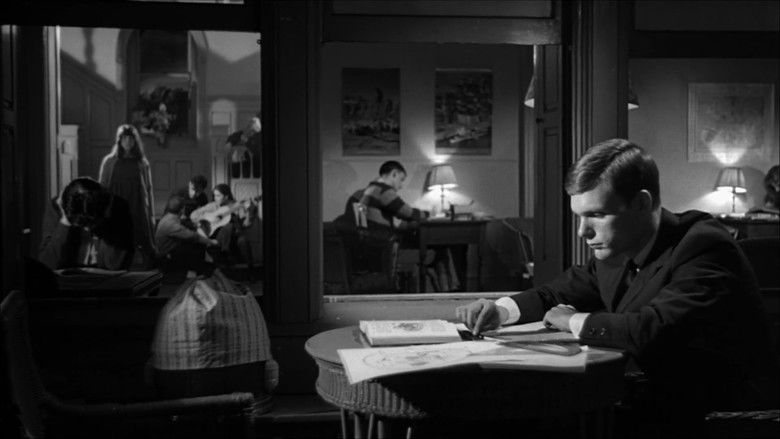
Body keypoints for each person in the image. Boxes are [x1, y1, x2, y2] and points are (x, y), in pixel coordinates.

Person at [456, 139, 777, 437]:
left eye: (596, 215)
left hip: (722, 418)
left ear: (641, 203)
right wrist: (500, 311)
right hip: (650, 397)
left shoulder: (703, 245)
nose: (582, 231)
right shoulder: (617, 250)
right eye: (579, 216)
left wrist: (572, 320)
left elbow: (651, 330)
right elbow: (553, 294)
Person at [39, 177, 135, 270]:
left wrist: (108, 218)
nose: (87, 229)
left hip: (104, 276)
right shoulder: (57, 208)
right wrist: (64, 222)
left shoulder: (117, 207)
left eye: (91, 223)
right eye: (82, 224)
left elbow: (116, 265)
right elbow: (47, 264)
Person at [98, 124, 156, 266]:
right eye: (124, 138)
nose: (128, 142)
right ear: (119, 140)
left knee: (138, 237)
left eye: (131, 138)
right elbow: (103, 186)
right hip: (116, 205)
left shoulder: (142, 162)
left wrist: (151, 214)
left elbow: (148, 189)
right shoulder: (110, 161)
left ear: (135, 141)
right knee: (116, 238)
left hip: (136, 205)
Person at [154, 194, 217, 276]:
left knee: (192, 242)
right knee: (198, 245)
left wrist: (192, 224)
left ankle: (198, 267)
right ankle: (198, 273)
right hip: (166, 255)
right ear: (182, 209)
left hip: (166, 249)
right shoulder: (172, 224)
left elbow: (182, 223)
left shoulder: (168, 217)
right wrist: (211, 242)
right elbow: (194, 236)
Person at [190, 183, 246, 264]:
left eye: (218, 196)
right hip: (216, 234)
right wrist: (205, 219)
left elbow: (245, 225)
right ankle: (224, 255)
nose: (215, 198)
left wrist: (249, 215)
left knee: (231, 228)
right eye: (214, 195)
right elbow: (193, 215)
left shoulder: (237, 206)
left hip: (234, 234)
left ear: (226, 196)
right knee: (228, 227)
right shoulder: (213, 205)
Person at [225, 114, 262, 179]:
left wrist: (247, 142)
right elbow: (234, 136)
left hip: (255, 165)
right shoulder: (244, 132)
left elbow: (257, 151)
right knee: (232, 167)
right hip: (243, 162)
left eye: (250, 126)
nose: (248, 128)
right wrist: (230, 143)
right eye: (248, 125)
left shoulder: (259, 137)